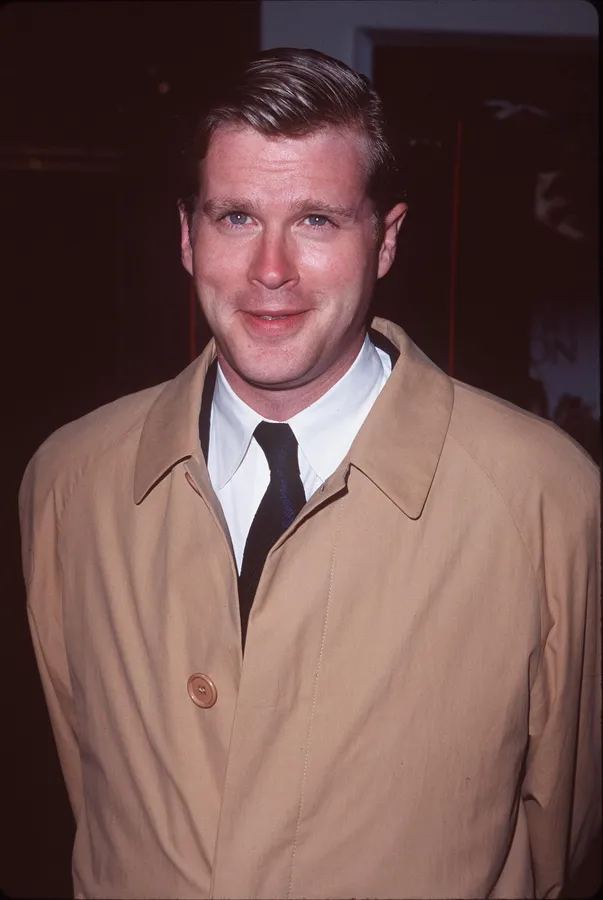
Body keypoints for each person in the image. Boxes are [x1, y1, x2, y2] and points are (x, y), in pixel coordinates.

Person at [19, 48, 600, 900]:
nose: (271, 271)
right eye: (235, 217)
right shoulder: (71, 480)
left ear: (386, 240)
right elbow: (91, 790)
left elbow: (559, 833)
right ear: (186, 236)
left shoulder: (544, 496)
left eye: (317, 221)